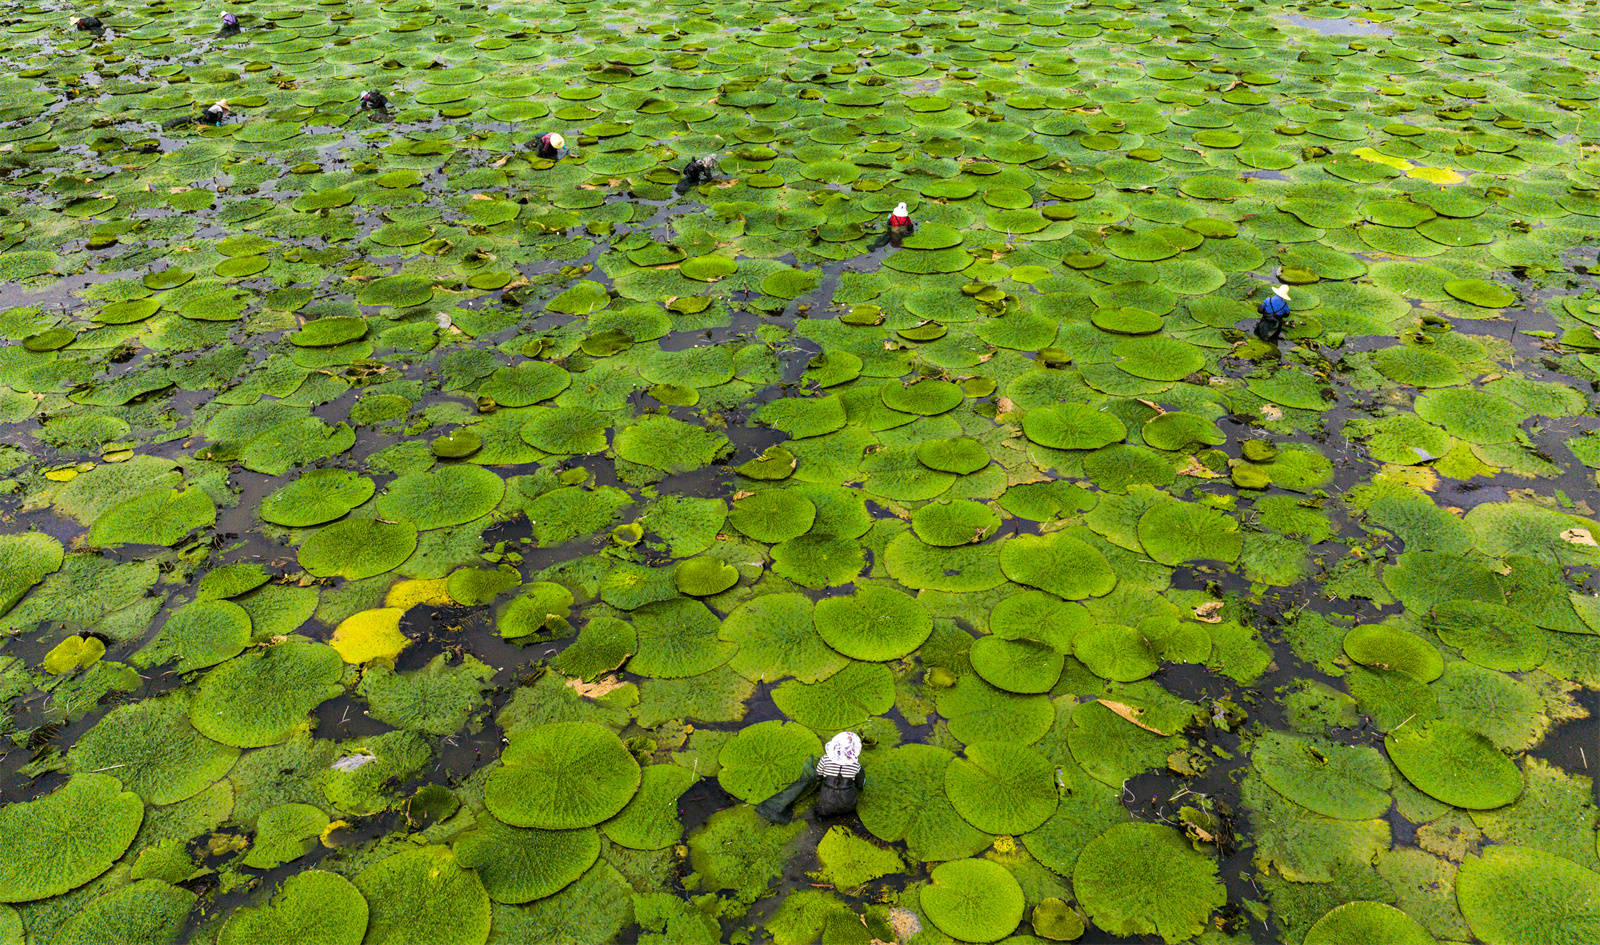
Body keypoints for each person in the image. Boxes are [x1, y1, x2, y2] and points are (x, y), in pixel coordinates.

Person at [755, 731, 865, 823]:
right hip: (848, 800)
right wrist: (860, 786)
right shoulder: (856, 766)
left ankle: (821, 817)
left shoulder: (825, 760)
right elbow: (860, 782)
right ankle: (848, 813)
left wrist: (819, 781)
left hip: (828, 799)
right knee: (848, 805)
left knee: (822, 809)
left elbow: (818, 774)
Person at [164, 100, 230, 129]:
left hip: (206, 113)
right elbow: (219, 116)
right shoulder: (220, 109)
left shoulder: (216, 106)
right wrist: (218, 123)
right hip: (209, 116)